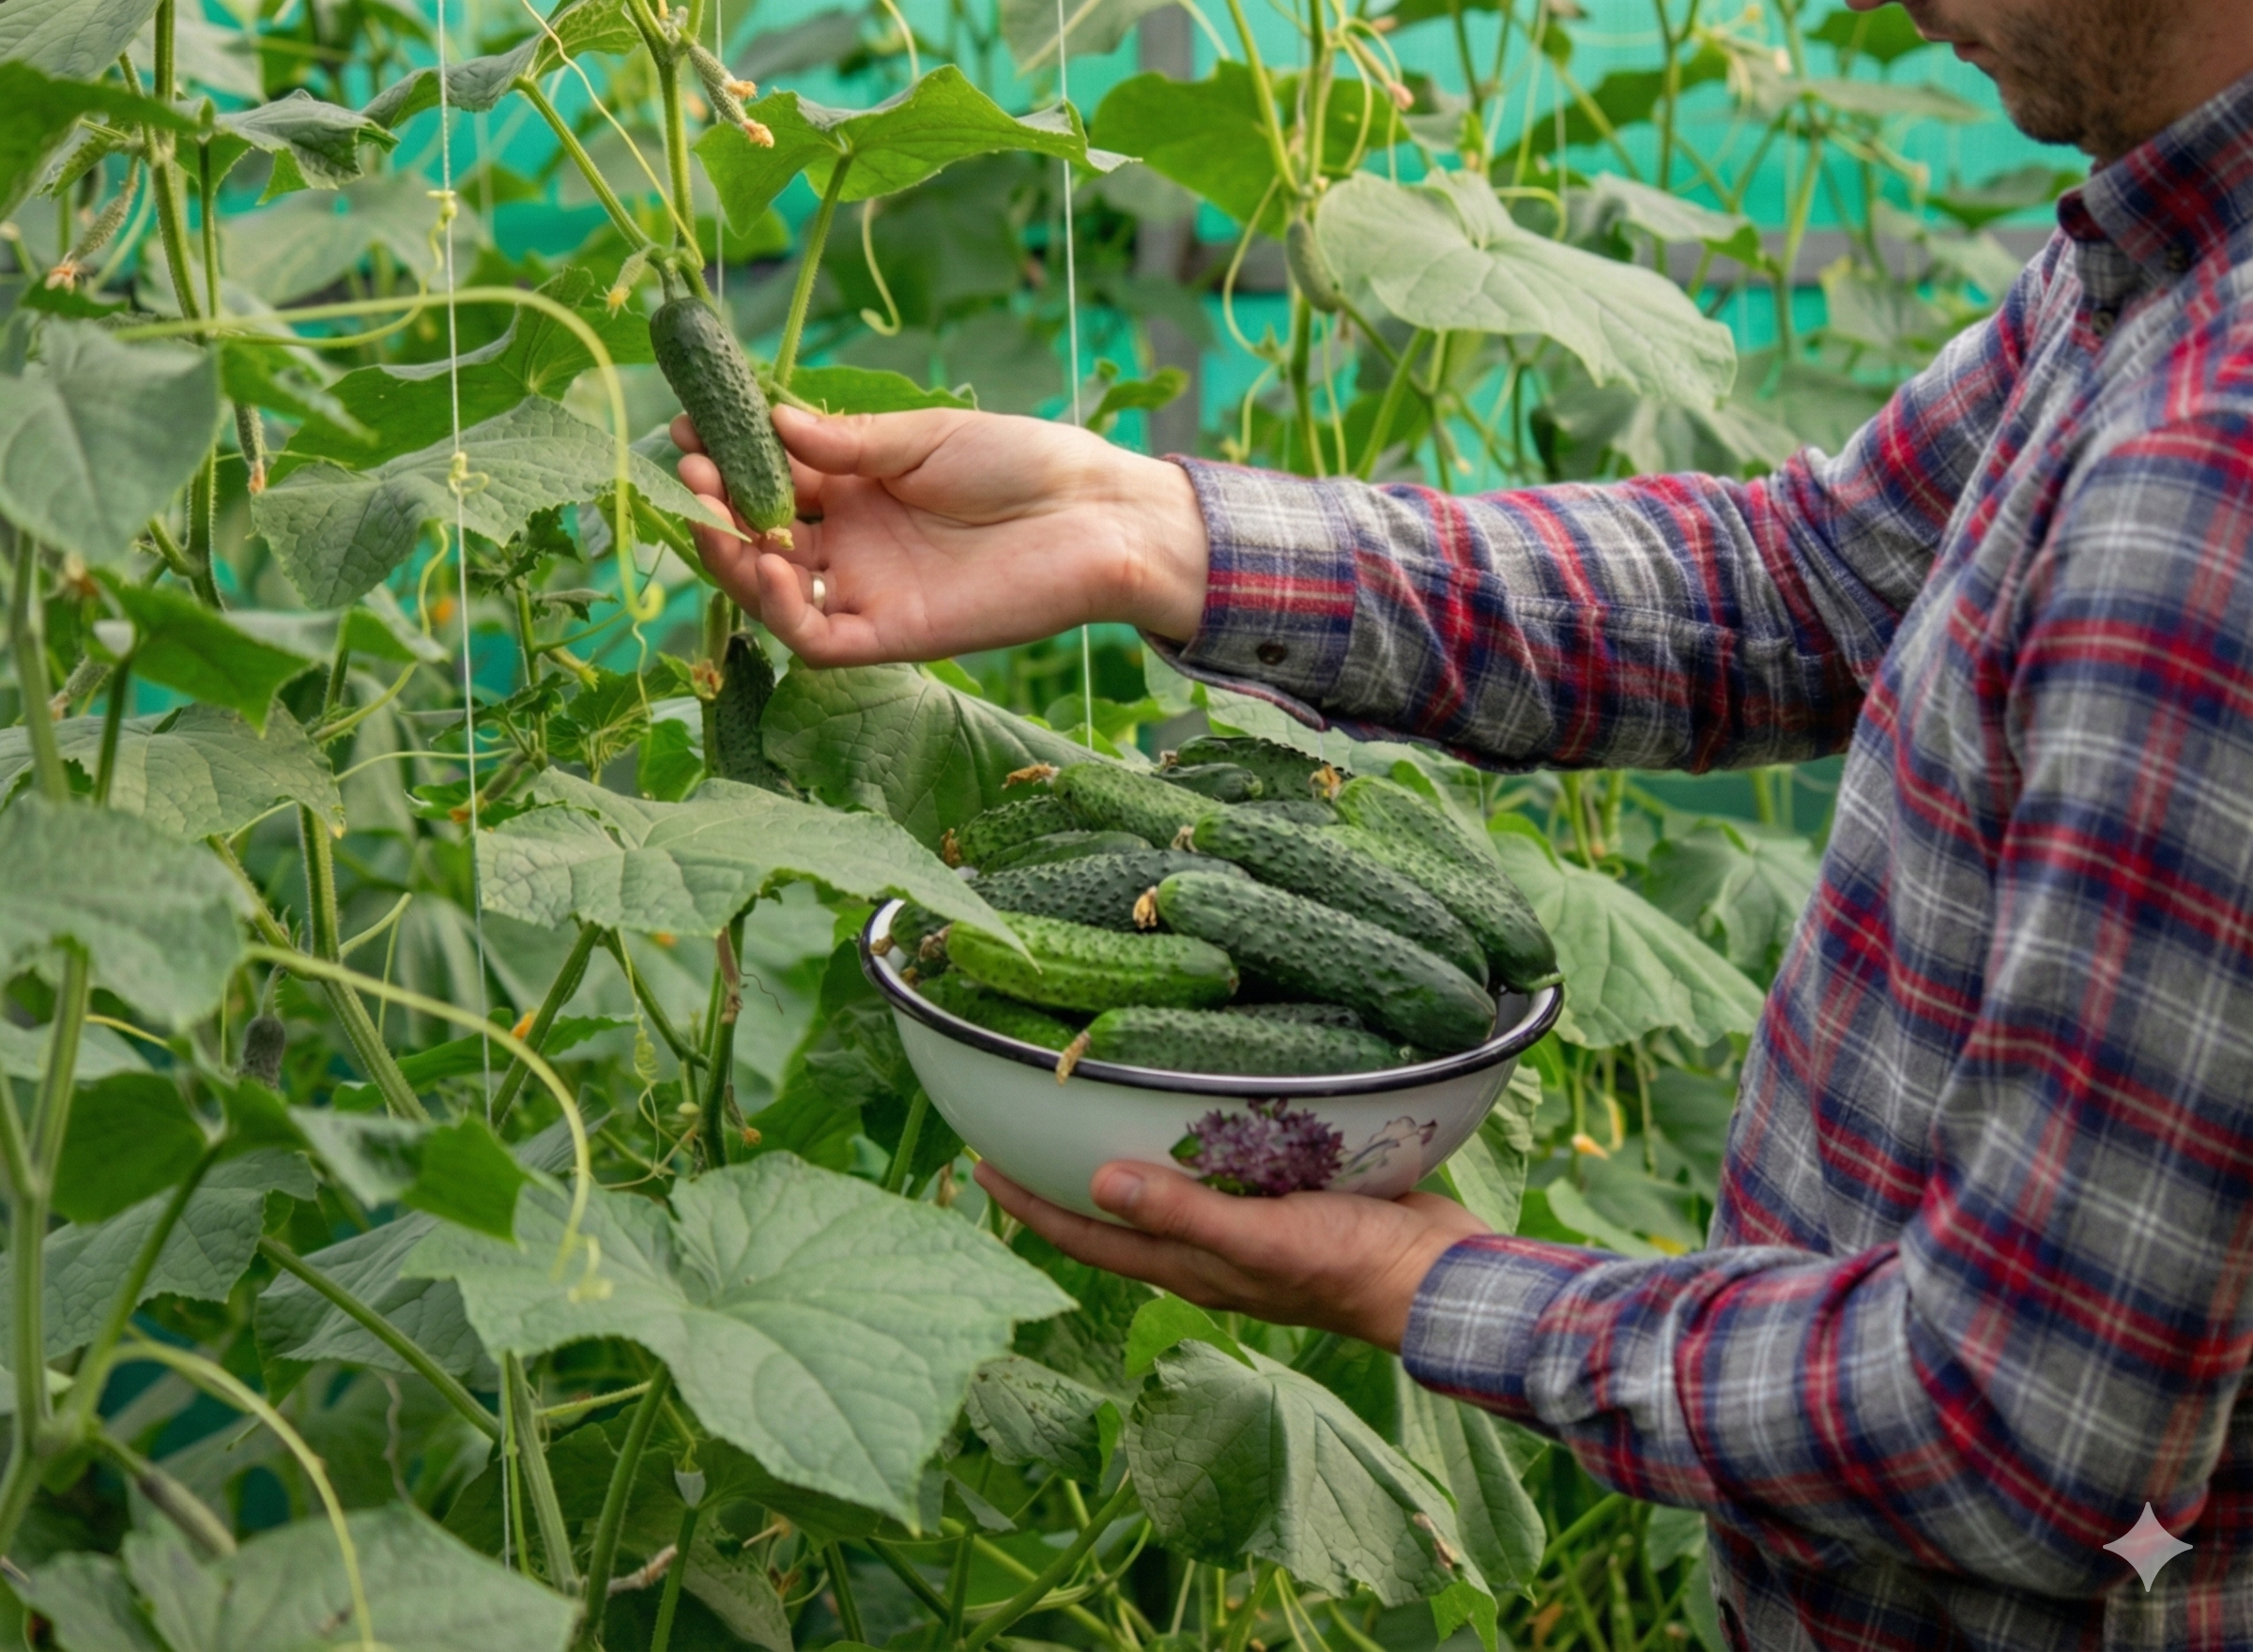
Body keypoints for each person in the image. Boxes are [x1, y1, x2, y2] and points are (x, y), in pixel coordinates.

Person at [675, 0, 2253, 1643]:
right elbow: (1810, 582)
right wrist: (1143, 526)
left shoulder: (2214, 470)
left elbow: (2020, 1432)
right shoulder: (2145, 257)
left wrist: (1419, 1281)